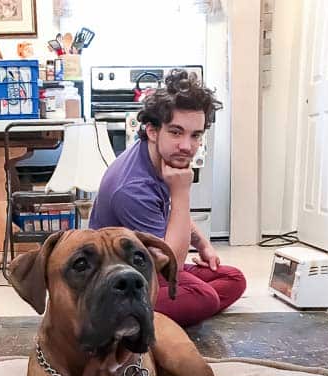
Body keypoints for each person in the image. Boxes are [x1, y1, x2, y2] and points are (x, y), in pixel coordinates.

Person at [89, 70, 246, 328]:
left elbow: (166, 214)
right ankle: (123, 316)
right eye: (176, 132)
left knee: (233, 278)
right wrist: (182, 191)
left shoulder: (155, 157)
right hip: (117, 279)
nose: (187, 146)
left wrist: (203, 243)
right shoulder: (132, 188)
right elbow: (172, 264)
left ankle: (168, 311)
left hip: (147, 259)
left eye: (195, 135)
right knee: (205, 298)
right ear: (152, 130)